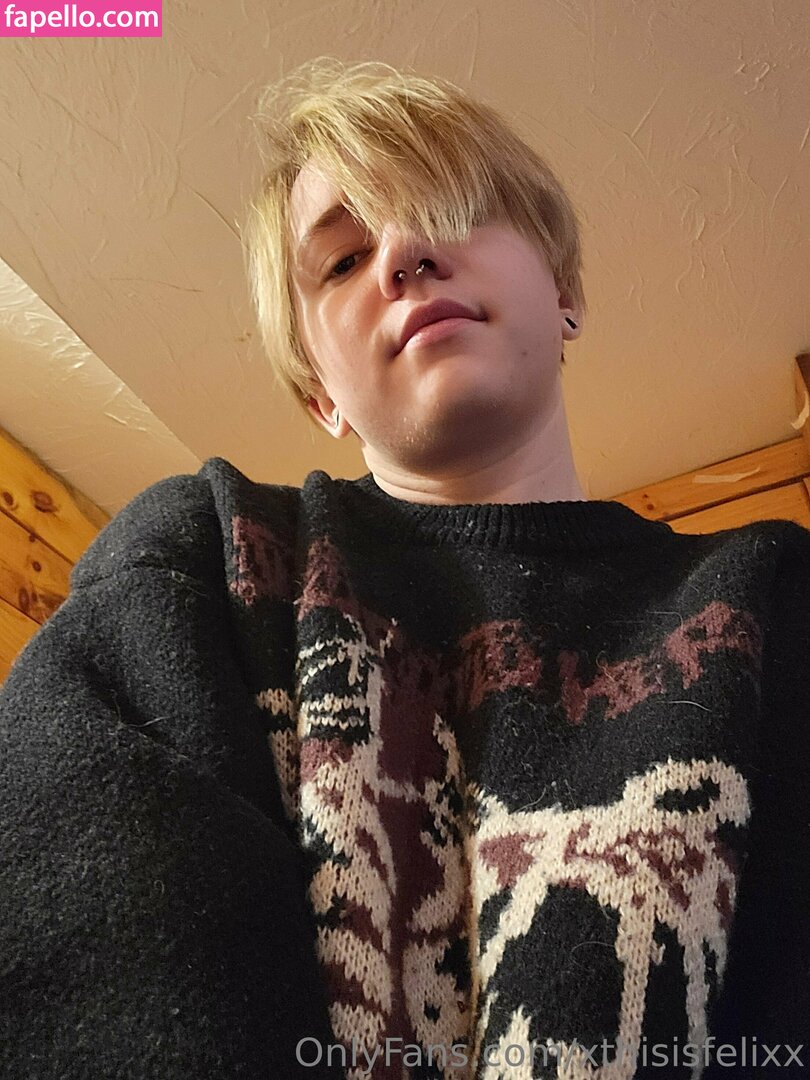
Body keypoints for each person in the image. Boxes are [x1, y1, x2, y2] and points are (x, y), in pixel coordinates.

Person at [0, 59, 807, 1080]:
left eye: (451, 210)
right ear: (320, 396)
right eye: (342, 260)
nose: (405, 254)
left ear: (564, 293)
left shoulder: (777, 599)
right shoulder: (206, 562)